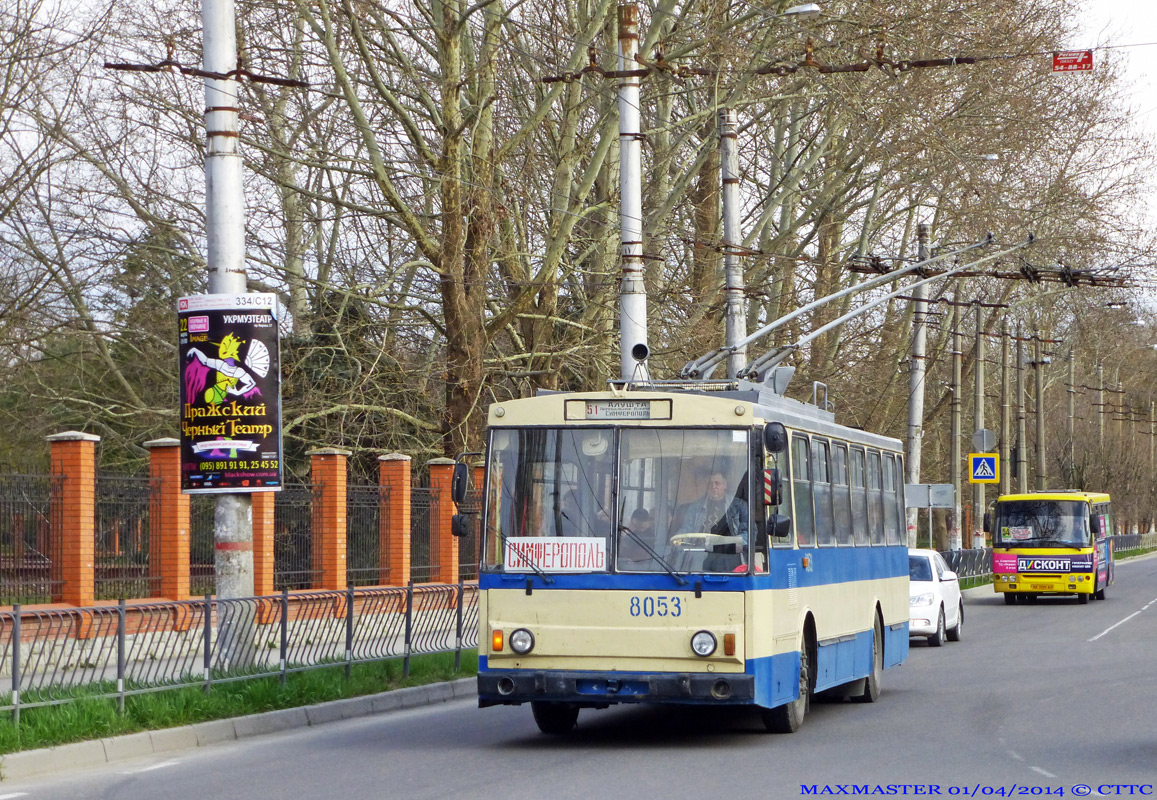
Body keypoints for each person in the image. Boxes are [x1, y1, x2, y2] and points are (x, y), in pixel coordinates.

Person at [676, 470, 748, 540]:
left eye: (717, 483)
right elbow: (686, 530)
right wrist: (680, 539)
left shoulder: (740, 506)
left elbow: (748, 534)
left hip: (729, 547)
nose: (713, 486)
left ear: (724, 485)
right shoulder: (695, 507)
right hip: (700, 547)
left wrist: (735, 542)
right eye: (710, 484)